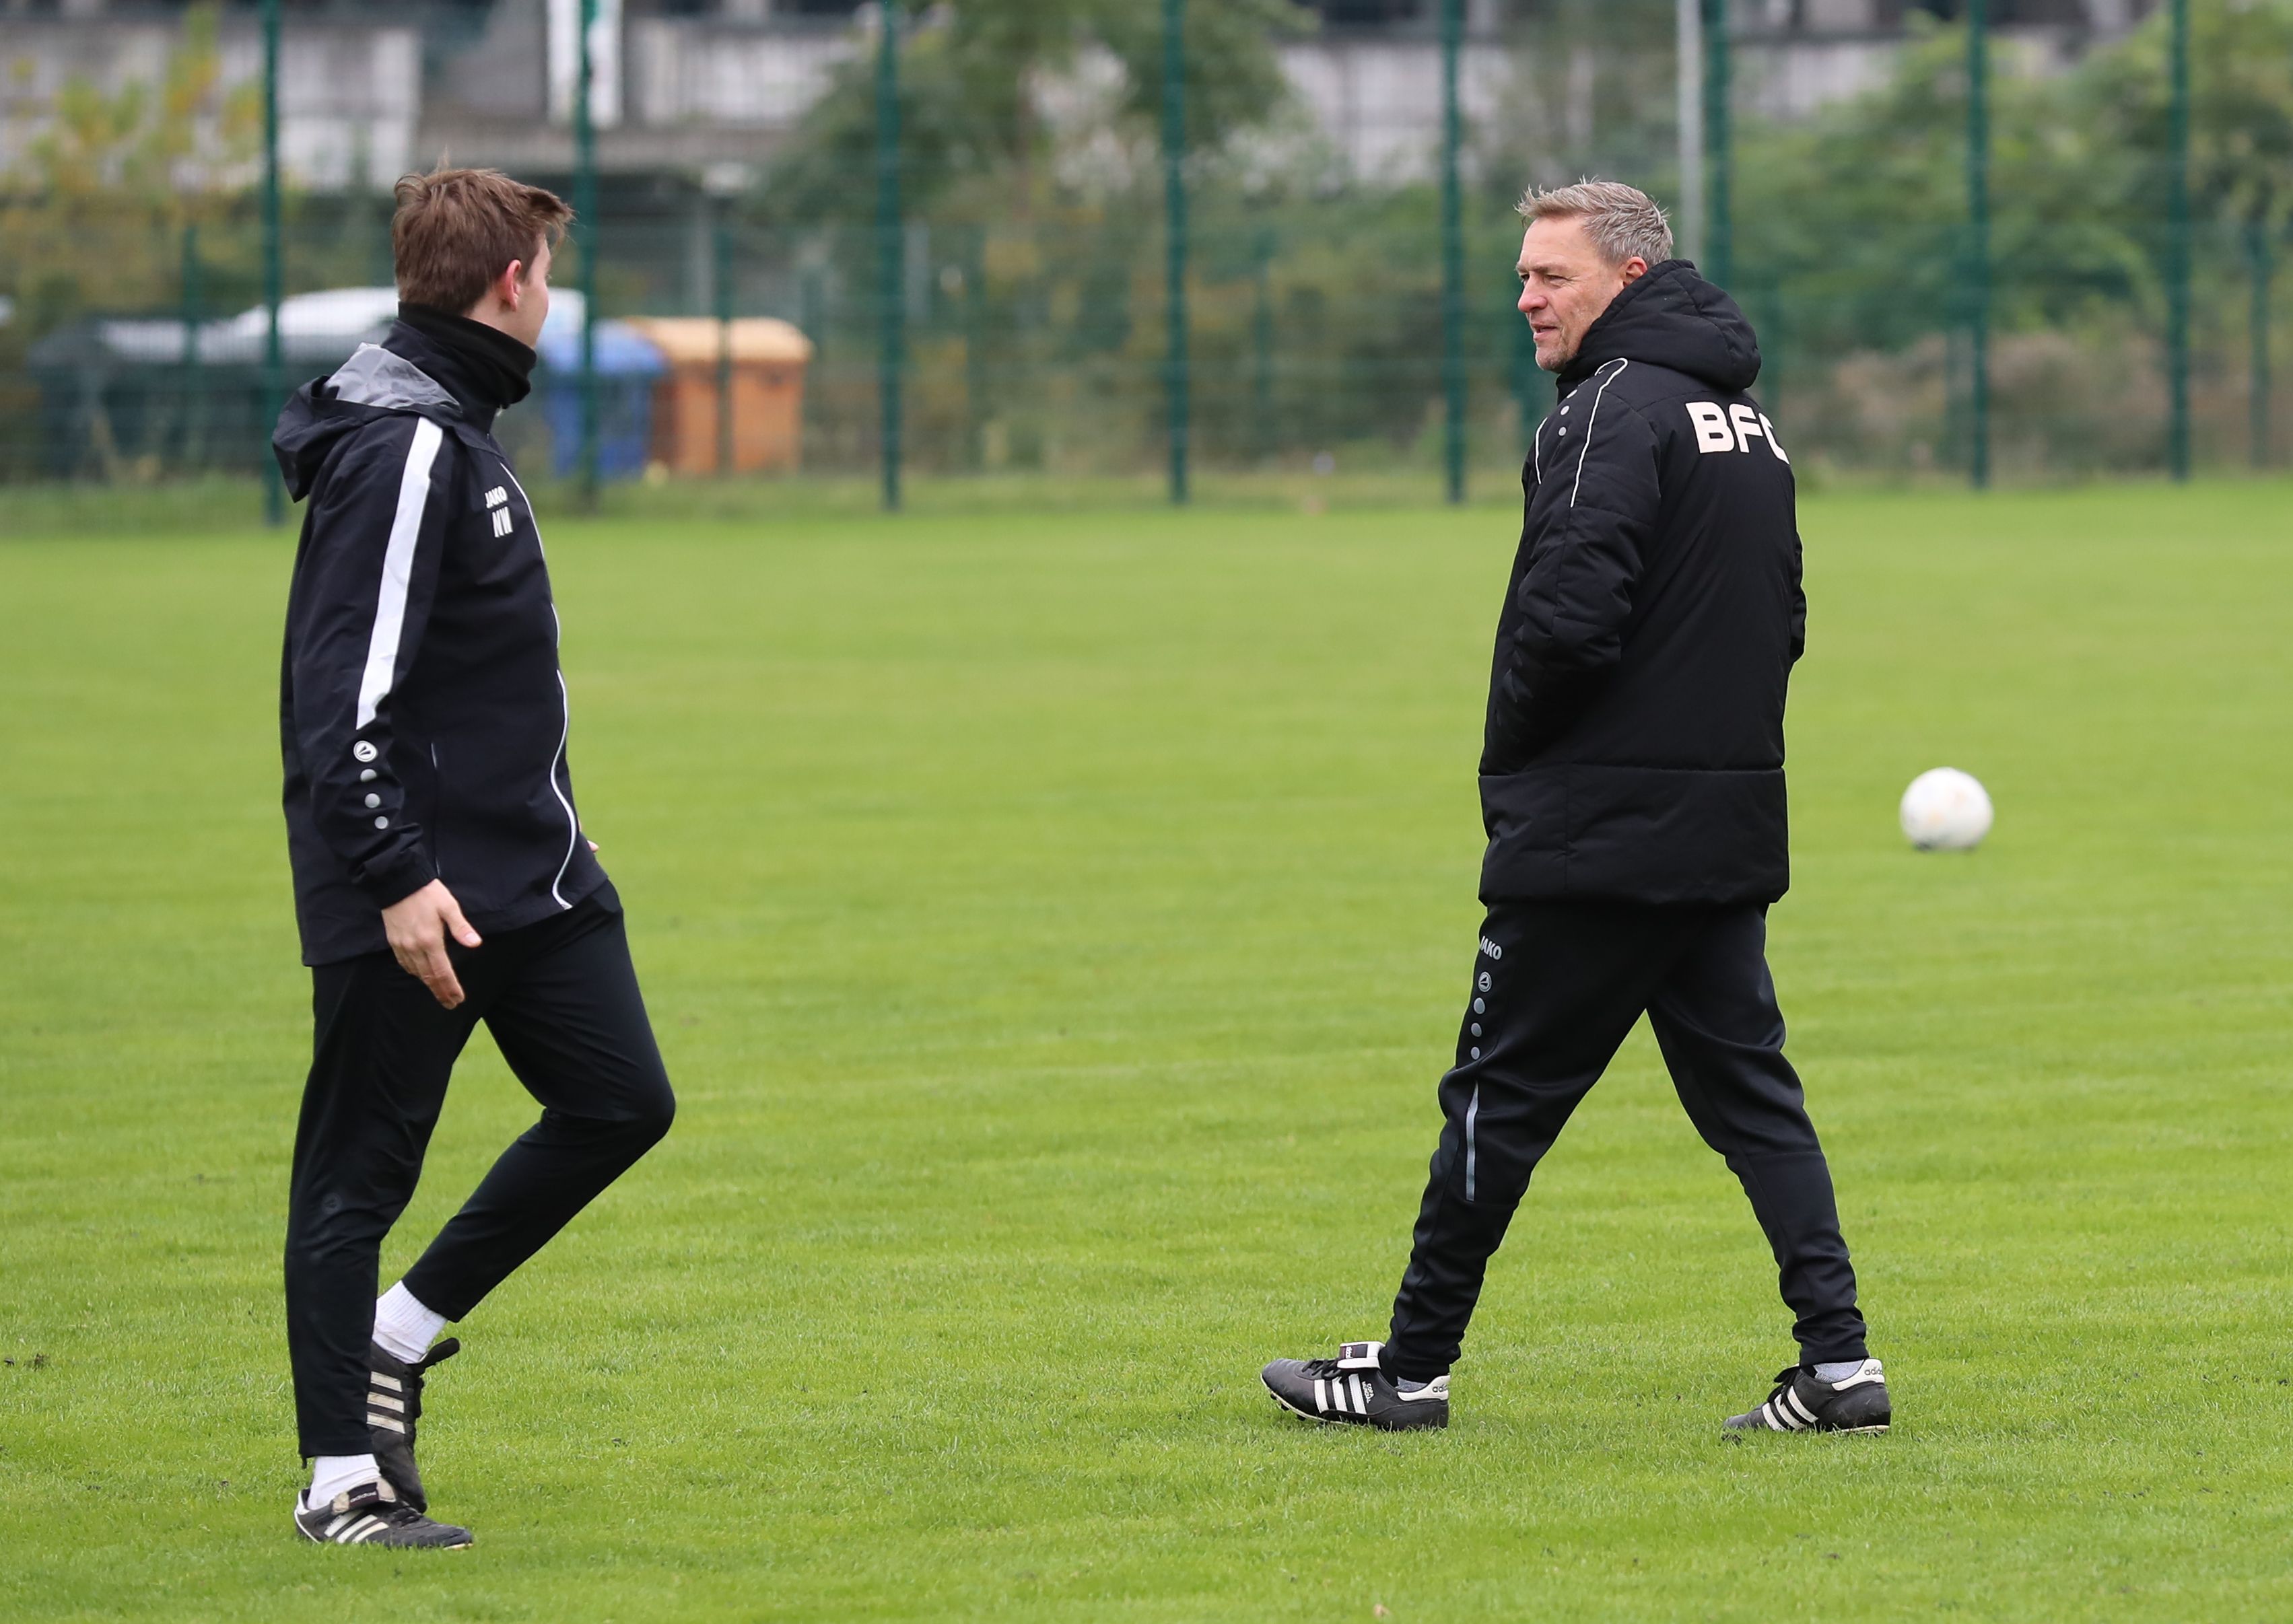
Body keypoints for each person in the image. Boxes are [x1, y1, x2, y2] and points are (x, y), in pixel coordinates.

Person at [1260, 180, 1887, 1438]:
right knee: (1754, 1101)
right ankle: (1839, 1363)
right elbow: (1785, 623)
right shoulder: (1745, 424)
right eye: (1523, 274)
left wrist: (1520, 768)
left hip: (1595, 833)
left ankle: (1407, 1372)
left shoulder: (1606, 412)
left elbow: (1567, 619)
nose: (1524, 298)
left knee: (1495, 1098)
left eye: (1550, 275)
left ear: (1630, 280)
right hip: (1719, 824)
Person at [272, 168, 676, 1547]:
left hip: (528, 872)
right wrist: (391, 875)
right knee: (354, 1178)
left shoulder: (448, 424)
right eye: (548, 273)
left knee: (622, 1099)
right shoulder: (408, 445)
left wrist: (540, 818)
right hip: (419, 892)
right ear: (511, 284)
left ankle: (400, 1333)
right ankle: (340, 1482)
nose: (551, 296)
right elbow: (349, 691)